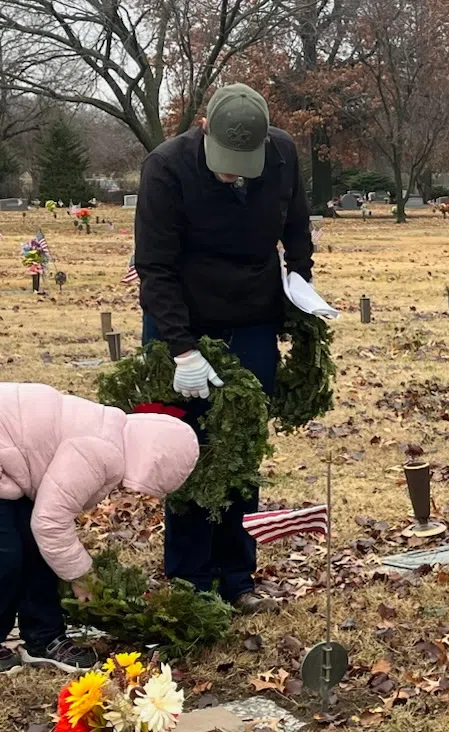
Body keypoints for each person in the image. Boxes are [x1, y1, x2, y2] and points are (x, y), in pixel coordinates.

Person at [133, 83, 313, 610]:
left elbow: (296, 228)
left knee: (240, 446)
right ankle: (191, 579)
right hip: (184, 317)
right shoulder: (165, 168)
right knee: (187, 449)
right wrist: (183, 350)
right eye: (225, 164)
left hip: (252, 316)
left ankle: (237, 575)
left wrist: (299, 288)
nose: (232, 174)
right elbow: (156, 267)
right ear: (204, 127)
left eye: (242, 164)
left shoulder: (281, 153)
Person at [0, 383, 200, 675]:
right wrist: (81, 576)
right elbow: (50, 522)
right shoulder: (101, 452)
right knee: (0, 554)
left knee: (36, 548)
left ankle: (43, 638)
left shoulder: (114, 433)